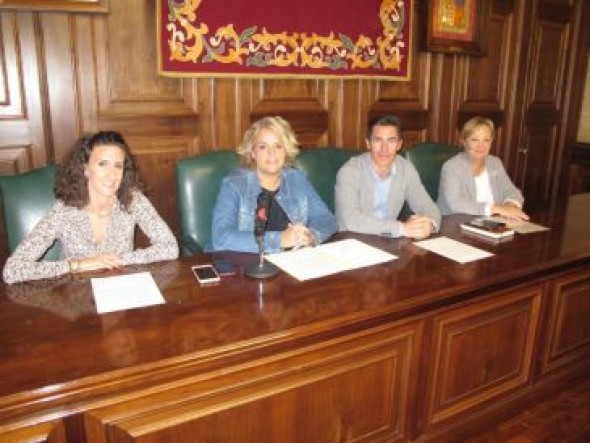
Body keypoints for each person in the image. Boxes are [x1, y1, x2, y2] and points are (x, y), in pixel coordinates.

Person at [3, 131, 179, 284]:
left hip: (121, 295)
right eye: (103, 164)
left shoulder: (133, 200)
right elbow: (13, 270)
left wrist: (119, 260)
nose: (112, 175)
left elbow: (170, 247)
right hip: (76, 302)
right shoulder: (64, 211)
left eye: (118, 166)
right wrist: (78, 265)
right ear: (85, 168)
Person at [211, 116, 337, 253]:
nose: (272, 153)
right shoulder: (234, 185)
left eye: (278, 146)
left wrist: (309, 236)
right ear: (253, 152)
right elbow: (221, 237)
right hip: (245, 267)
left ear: (286, 150)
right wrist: (280, 240)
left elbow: (326, 219)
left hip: (291, 264)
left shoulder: (298, 179)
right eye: (263, 147)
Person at [335, 115, 440, 239]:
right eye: (378, 140)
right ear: (368, 143)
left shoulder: (406, 169)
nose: (384, 149)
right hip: (351, 241)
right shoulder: (350, 172)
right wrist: (402, 229)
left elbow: (427, 206)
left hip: (387, 241)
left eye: (391, 141)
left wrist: (429, 225)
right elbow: (351, 220)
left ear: (399, 144)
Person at [437, 116, 529, 220]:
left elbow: (511, 190)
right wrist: (496, 208)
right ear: (464, 141)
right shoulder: (452, 167)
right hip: (456, 224)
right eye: (474, 140)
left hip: (494, 222)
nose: (481, 145)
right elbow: (455, 203)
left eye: (486, 140)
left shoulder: (495, 163)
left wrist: (510, 205)